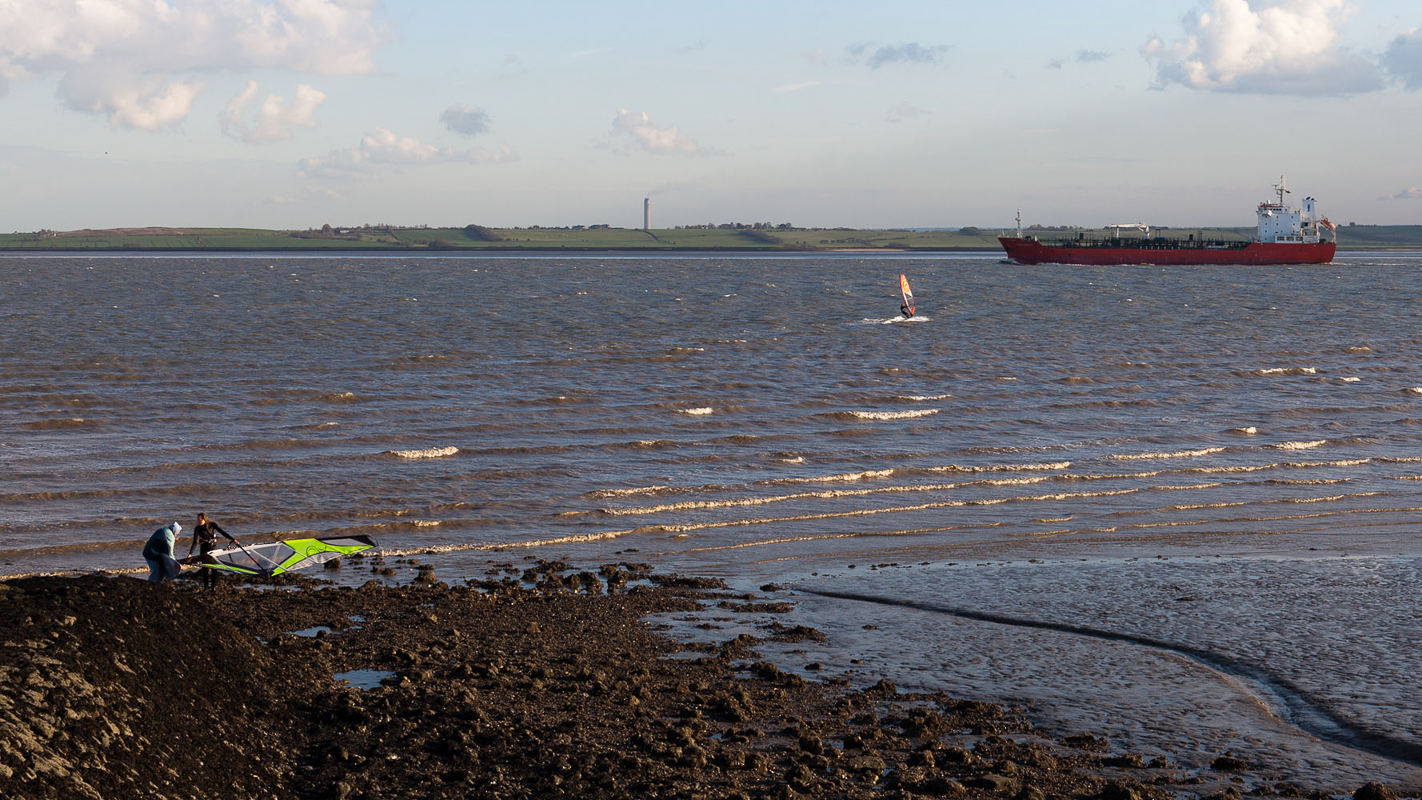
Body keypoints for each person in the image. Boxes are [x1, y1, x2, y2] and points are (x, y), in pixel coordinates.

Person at [187, 512, 239, 590]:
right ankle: (205, 588)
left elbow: (223, 532)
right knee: (205, 569)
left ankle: (213, 588)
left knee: (214, 569)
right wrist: (190, 553)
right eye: (197, 520)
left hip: (213, 549)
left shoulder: (212, 525)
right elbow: (195, 542)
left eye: (199, 520)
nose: (198, 521)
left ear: (204, 519)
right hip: (203, 550)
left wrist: (233, 539)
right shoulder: (197, 528)